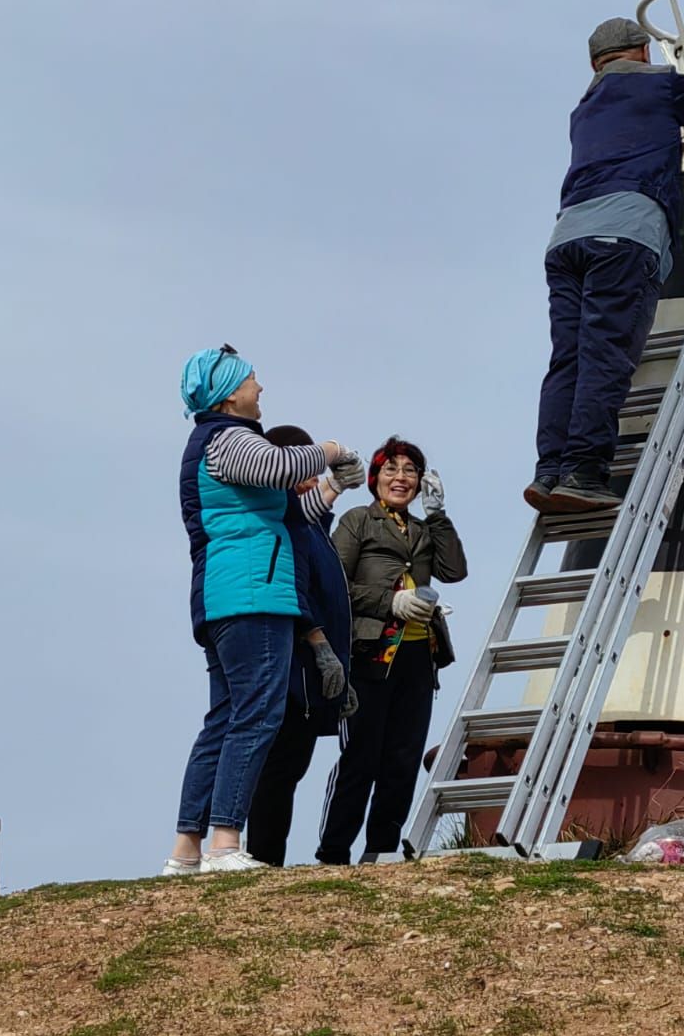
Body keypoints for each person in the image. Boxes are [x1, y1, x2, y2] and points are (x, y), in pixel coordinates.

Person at [527, 16, 684, 514]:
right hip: (625, 231)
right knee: (605, 354)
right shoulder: (658, 84)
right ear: (643, 51)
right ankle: (585, 471)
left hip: (566, 236)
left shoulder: (583, 108)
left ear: (595, 63)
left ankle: (549, 471)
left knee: (566, 357)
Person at [165, 345, 363, 875]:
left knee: (225, 719)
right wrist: (331, 448)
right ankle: (226, 842)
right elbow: (281, 464)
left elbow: (292, 513)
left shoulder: (217, 445)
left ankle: (187, 850)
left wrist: (336, 482)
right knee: (257, 717)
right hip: (253, 596)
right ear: (230, 394)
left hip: (231, 597)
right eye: (253, 381)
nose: (261, 389)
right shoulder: (226, 439)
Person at [317, 437, 468, 865]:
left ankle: (380, 851)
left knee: (402, 758)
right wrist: (390, 602)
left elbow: (455, 570)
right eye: (391, 469)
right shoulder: (357, 521)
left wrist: (439, 517)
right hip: (369, 654)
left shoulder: (422, 530)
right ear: (375, 478)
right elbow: (334, 584)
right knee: (361, 755)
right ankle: (333, 852)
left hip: (419, 656)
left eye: (410, 471)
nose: (401, 478)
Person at [246, 424, 360, 867]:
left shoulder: (308, 526)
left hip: (313, 668)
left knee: (291, 768)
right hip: (292, 664)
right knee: (278, 768)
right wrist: (318, 643)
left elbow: (316, 513)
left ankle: (267, 857)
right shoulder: (281, 522)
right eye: (307, 466)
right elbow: (294, 589)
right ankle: (262, 857)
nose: (314, 476)